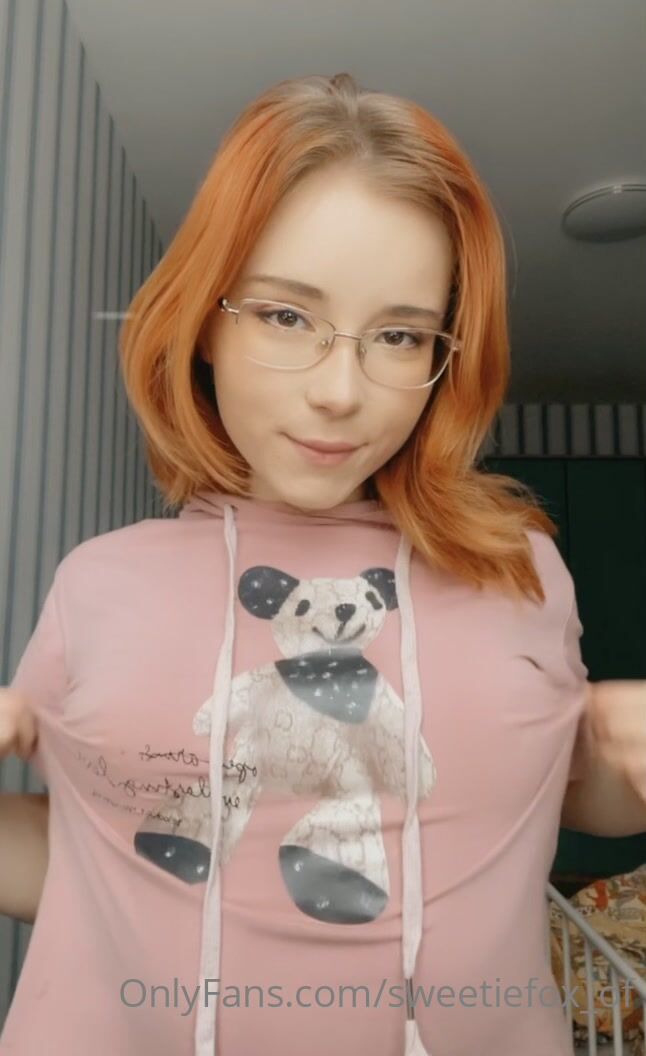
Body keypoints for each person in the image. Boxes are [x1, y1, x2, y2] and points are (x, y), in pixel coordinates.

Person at [1, 71, 645, 1056]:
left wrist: (617, 755)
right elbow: (95, 866)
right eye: (285, 316)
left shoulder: (519, 571)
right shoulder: (97, 583)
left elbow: (548, 795)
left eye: (399, 334)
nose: (342, 391)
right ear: (205, 320)